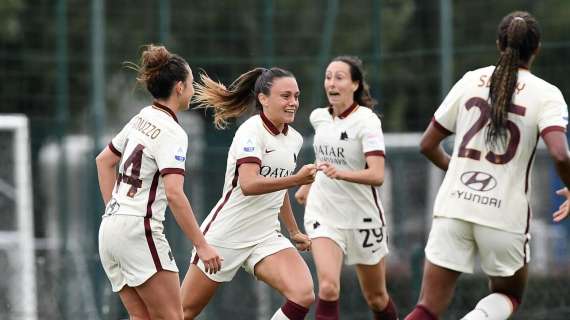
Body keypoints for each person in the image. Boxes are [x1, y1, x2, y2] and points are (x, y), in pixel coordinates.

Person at [405, 11, 570, 320]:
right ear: (537, 49)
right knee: (507, 294)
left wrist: (459, 172)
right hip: (503, 214)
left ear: (498, 44)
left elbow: (427, 144)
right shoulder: (548, 94)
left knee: (427, 308)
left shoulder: (470, 80)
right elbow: (561, 155)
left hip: (453, 205)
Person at [96, 44, 221, 320]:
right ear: (179, 87)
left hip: (110, 229)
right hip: (138, 231)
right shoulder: (173, 131)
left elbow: (103, 161)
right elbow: (175, 194)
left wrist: (115, 211)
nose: (193, 89)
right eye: (191, 83)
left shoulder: (142, 117)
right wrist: (201, 244)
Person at [180, 67, 317, 320]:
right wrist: (297, 179)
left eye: (296, 96)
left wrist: (294, 230)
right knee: (183, 313)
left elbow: (277, 186)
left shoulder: (294, 138)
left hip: (264, 235)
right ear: (263, 98)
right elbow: (249, 184)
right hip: (227, 234)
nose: (293, 103)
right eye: (285, 96)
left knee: (303, 293)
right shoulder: (251, 131)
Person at [294, 56, 399, 320]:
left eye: (339, 77)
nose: (331, 82)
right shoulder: (319, 118)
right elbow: (324, 157)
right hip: (324, 212)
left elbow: (376, 175)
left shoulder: (367, 122)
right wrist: (309, 184)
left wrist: (340, 174)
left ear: (355, 84)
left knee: (376, 298)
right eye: (328, 76)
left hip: (363, 217)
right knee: (328, 288)